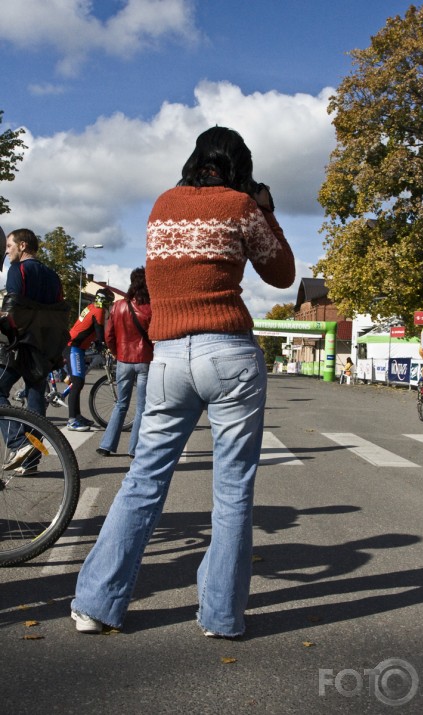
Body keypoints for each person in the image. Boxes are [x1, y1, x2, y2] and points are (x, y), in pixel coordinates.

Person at [71, 126, 295, 635]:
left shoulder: (161, 205)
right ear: (240, 167)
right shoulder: (241, 207)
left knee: (144, 479)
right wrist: (266, 209)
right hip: (229, 353)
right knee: (233, 489)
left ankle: (96, 604)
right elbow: (282, 274)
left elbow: (159, 278)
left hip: (168, 356)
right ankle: (220, 616)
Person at [0, 228, 66, 474]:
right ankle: (30, 461)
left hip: (19, 344)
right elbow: (59, 310)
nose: (6, 252)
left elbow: (12, 307)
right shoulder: (53, 275)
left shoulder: (19, 269)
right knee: (36, 403)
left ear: (23, 245)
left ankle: (18, 443)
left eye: (9, 246)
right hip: (43, 345)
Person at [96, 267, 153, 458]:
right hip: (145, 360)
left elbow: (108, 335)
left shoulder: (118, 306)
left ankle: (106, 445)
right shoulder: (151, 307)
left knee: (121, 403)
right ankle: (134, 448)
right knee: (141, 407)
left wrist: (117, 353)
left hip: (123, 360)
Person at [65, 286, 115, 431]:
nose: (110, 306)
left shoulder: (91, 306)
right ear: (105, 302)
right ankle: (72, 420)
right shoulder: (98, 311)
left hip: (76, 347)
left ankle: (78, 416)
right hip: (73, 347)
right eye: (110, 303)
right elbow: (100, 335)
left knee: (78, 382)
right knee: (78, 382)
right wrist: (105, 347)